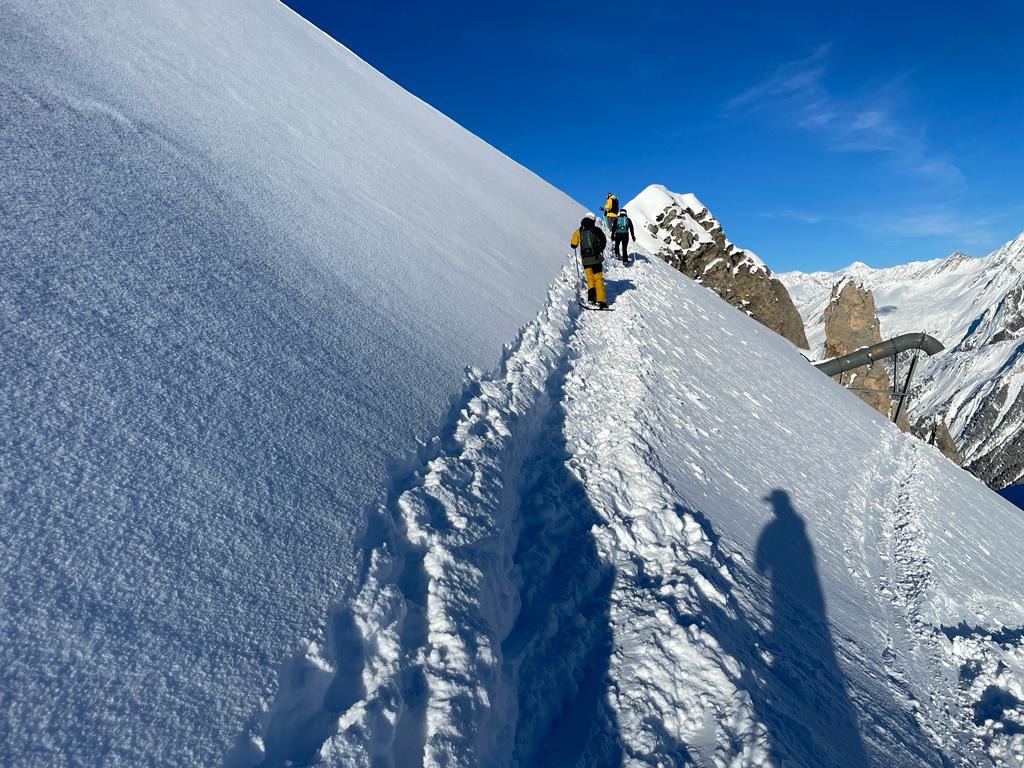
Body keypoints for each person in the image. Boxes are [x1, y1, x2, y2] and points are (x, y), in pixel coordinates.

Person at [570, 213, 608, 308]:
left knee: (590, 279)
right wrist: (600, 249)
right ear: (593, 220)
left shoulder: (579, 230)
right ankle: (601, 300)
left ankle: (591, 298)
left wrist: (574, 245)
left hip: (585, 259)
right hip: (596, 258)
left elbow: (573, 243)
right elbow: (603, 241)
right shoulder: (596, 230)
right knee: (598, 278)